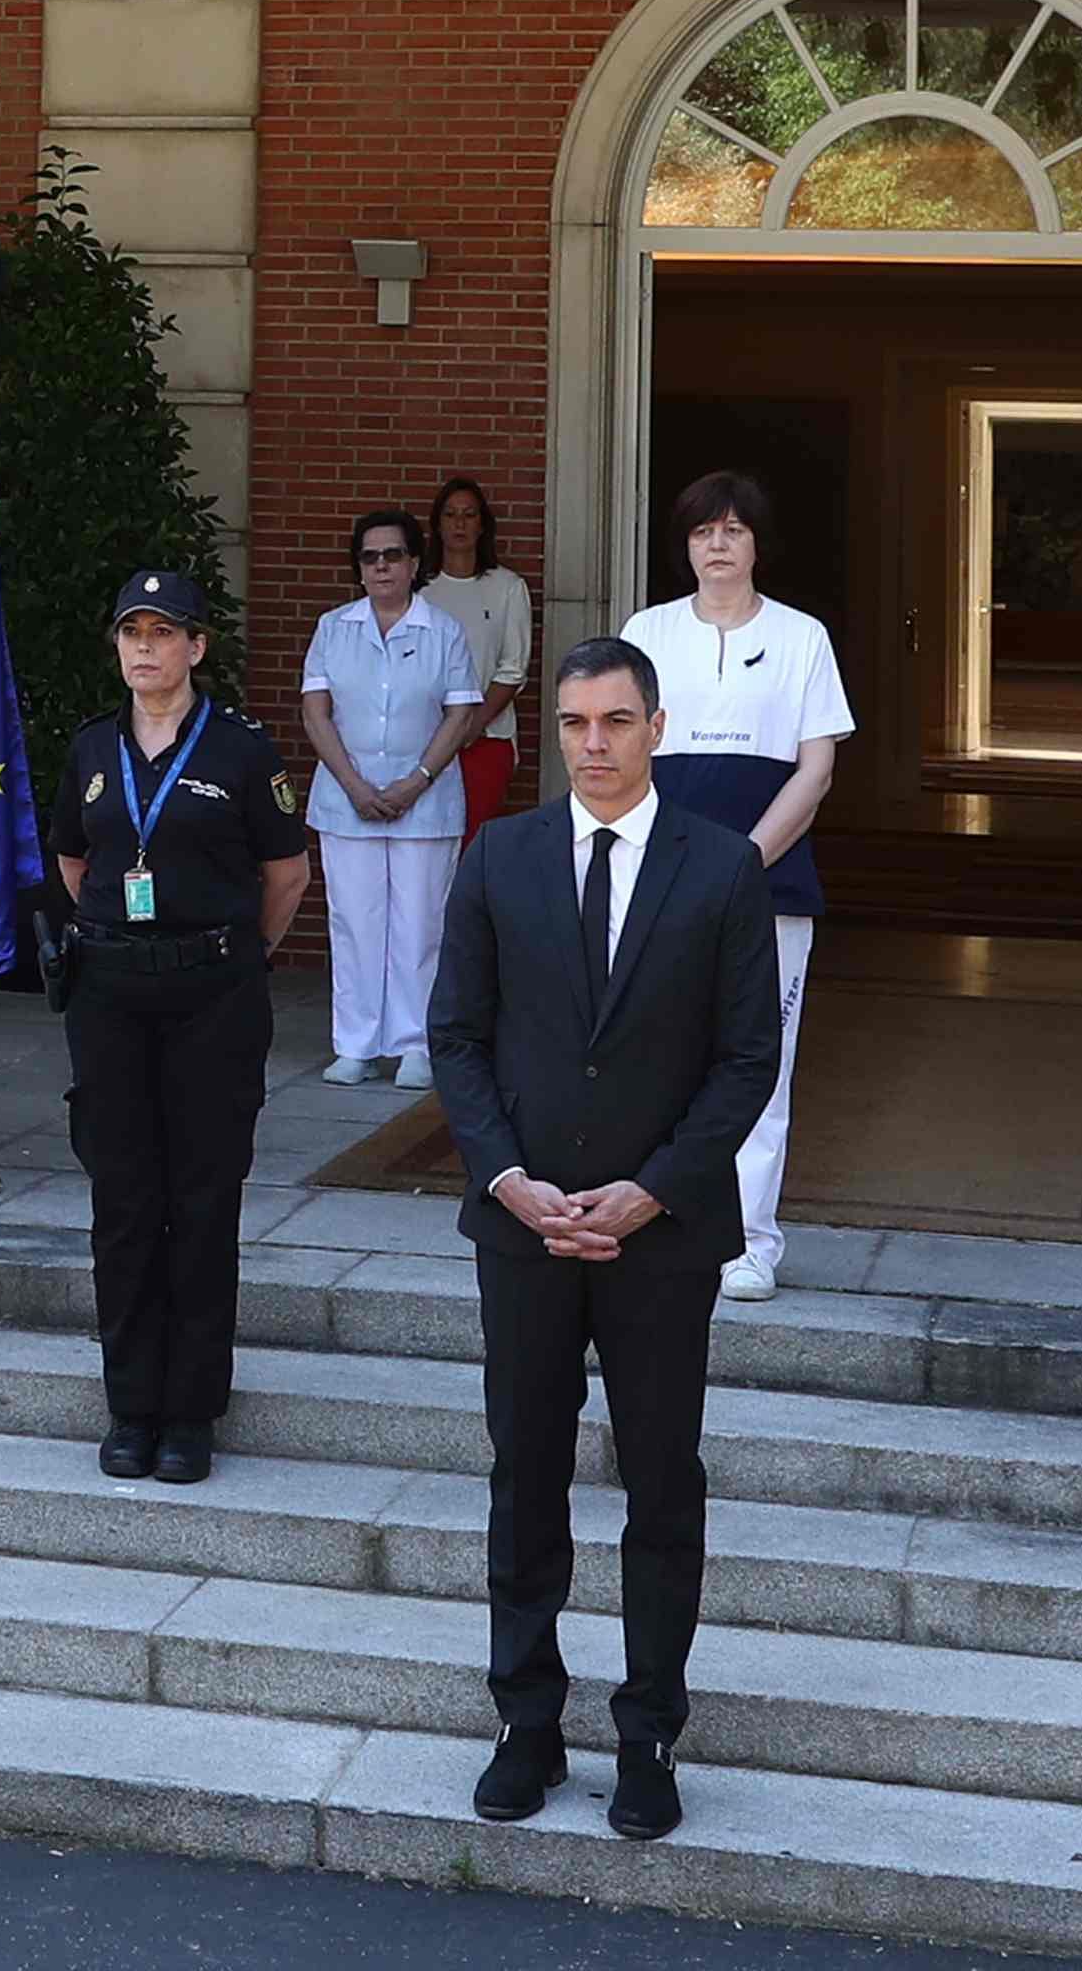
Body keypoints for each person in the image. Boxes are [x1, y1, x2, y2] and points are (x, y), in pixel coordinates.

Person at [431, 633, 785, 1844]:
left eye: (616, 720)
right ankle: (527, 1721)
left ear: (655, 725)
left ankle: (647, 1736)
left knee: (660, 1484)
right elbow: (458, 1037)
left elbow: (748, 1058)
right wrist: (509, 1177)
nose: (593, 743)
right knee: (524, 1477)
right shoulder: (499, 855)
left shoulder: (725, 867)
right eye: (576, 722)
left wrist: (653, 1189)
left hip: (661, 1234)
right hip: (523, 1225)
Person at [55, 568, 314, 1479]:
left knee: (202, 1204)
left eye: (164, 633)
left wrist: (230, 954)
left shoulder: (242, 750)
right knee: (123, 1204)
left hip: (212, 997)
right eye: (132, 633)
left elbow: (285, 876)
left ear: (197, 648)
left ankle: (192, 1412)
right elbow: (74, 860)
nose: (145, 649)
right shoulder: (92, 748)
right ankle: (131, 1406)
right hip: (113, 1000)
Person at [617, 472, 851, 1299]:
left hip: (769, 887)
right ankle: (653, 1218)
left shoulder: (802, 638)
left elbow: (815, 769)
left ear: (756, 543)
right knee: (653, 1055)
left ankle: (750, 1243)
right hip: (657, 883)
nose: (718, 545)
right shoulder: (645, 631)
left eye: (734, 530)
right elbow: (617, 752)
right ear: (685, 547)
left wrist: (739, 864)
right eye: (702, 532)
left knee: (760, 1062)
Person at [303, 508, 483, 1086]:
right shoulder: (334, 628)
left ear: (413, 562)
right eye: (369, 557)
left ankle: (415, 1046)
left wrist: (417, 780)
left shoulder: (444, 630)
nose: (381, 566)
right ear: (358, 568)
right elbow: (315, 710)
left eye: (393, 555)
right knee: (353, 921)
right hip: (345, 800)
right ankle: (354, 1043)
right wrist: (354, 783)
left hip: (425, 804)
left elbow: (461, 713)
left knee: (420, 924)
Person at [426, 475, 533, 827]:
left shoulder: (507, 588)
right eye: (450, 514)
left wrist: (471, 725)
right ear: (437, 525)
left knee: (472, 842)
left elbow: (513, 669)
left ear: (482, 525)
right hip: (422, 739)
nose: (459, 523)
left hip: (485, 739)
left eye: (469, 515)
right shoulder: (419, 590)